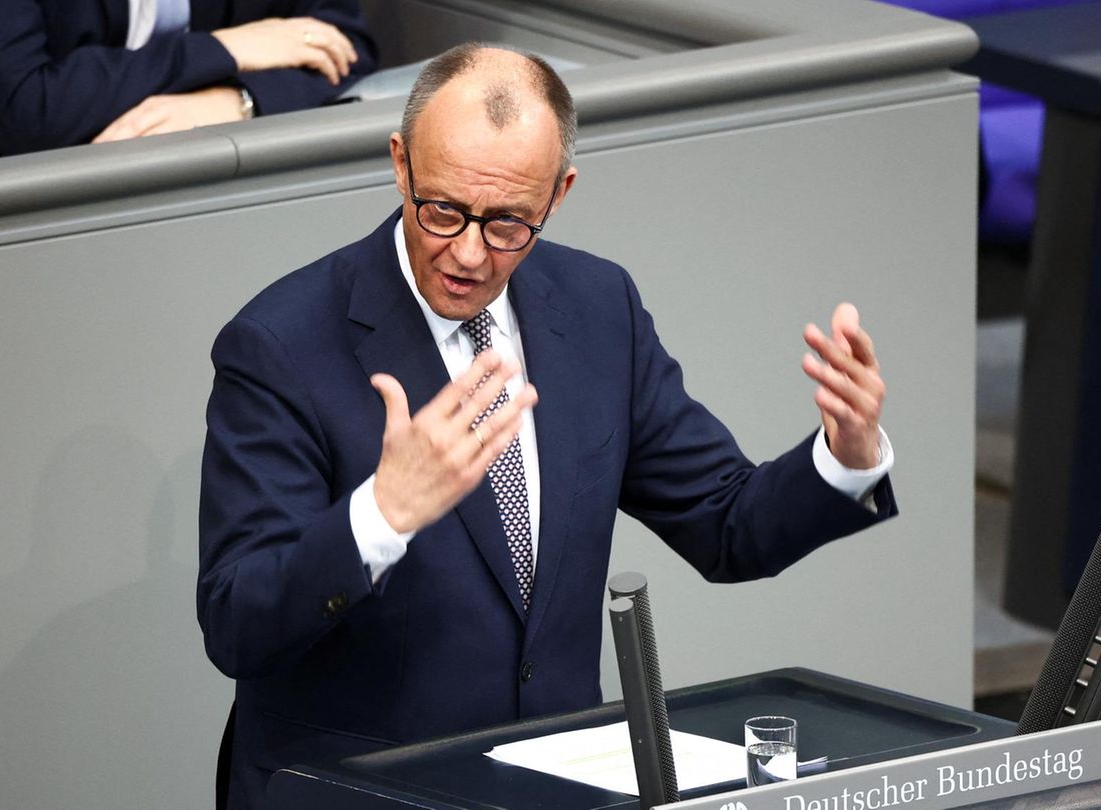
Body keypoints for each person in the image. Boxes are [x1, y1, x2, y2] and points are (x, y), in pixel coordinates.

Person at [197, 43, 897, 809]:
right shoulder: (282, 344)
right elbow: (237, 622)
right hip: (359, 796)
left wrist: (844, 457)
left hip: (555, 789)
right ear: (400, 163)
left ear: (557, 194)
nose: (467, 252)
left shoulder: (598, 308)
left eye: (506, 224)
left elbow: (727, 523)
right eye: (442, 211)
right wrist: (380, 515)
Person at [0, 0, 375, 170]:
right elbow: (27, 108)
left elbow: (341, 47)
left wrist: (232, 101)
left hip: (165, 172)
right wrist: (227, 49)